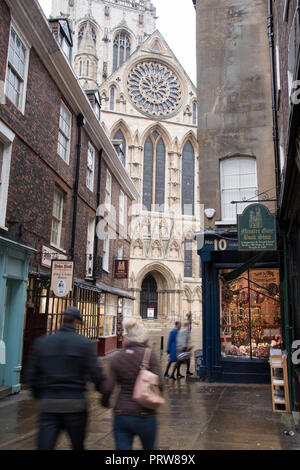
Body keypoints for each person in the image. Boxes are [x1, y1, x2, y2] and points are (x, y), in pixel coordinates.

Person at [25, 306, 104, 450]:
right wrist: (103, 392)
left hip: (48, 406)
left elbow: (30, 377)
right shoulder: (84, 344)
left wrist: (42, 397)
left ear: (62, 321)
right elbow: (96, 375)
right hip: (75, 405)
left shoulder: (42, 343)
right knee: (77, 446)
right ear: (76, 322)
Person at [101, 318, 164, 450]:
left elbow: (107, 387)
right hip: (145, 413)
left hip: (122, 412)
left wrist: (105, 402)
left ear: (127, 338)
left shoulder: (117, 357)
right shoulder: (149, 355)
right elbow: (160, 384)